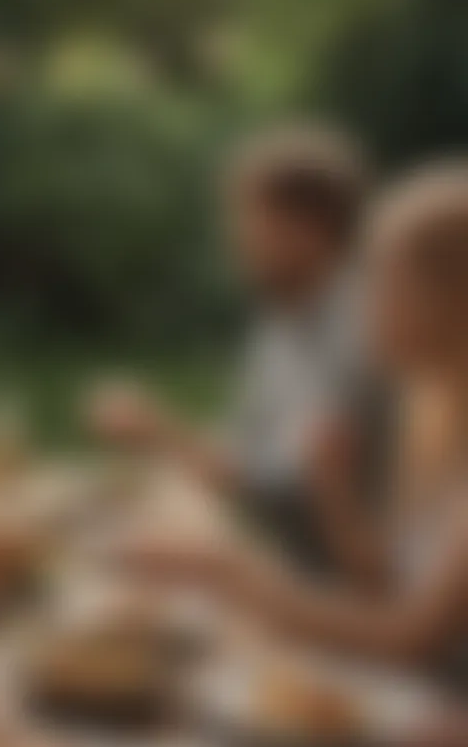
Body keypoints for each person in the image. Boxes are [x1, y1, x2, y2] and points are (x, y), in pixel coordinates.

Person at [122, 165, 468, 684]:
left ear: (452, 301)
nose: (362, 301)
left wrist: (225, 570)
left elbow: (409, 640)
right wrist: (336, 494)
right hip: (400, 691)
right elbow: (385, 586)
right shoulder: (432, 417)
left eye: (383, 278)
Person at [89, 124, 385, 581]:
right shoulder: (283, 318)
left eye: (249, 219)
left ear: (310, 227)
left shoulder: (363, 329)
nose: (235, 239)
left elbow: (280, 494)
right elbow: (247, 447)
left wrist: (160, 434)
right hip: (298, 571)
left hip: (341, 595)